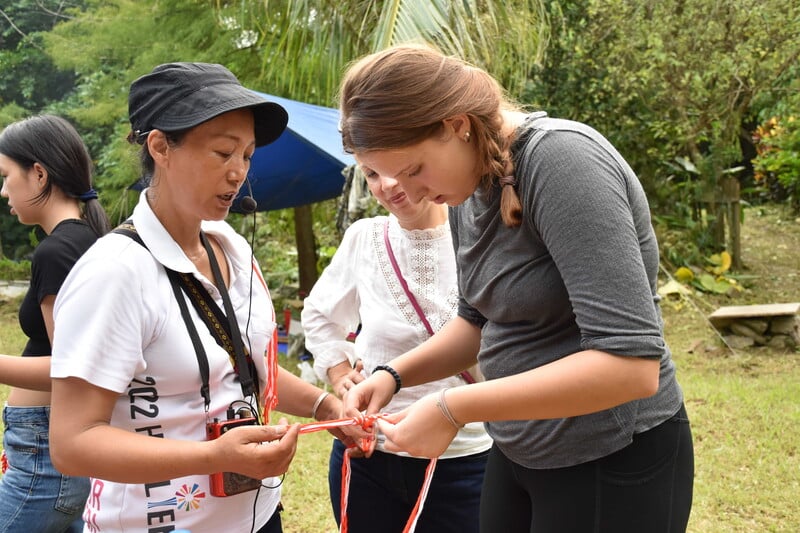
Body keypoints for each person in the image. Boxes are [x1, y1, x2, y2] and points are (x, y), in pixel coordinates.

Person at [339, 44, 695, 533]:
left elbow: (630, 367)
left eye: (414, 169)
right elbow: (475, 323)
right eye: (384, 175)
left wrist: (452, 408)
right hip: (519, 450)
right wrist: (392, 376)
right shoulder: (468, 187)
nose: (409, 192)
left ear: (457, 124)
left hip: (611, 455)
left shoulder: (562, 161)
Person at [47, 62, 344, 533]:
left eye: (247, 155)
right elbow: (72, 443)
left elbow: (243, 367)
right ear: (160, 147)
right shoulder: (114, 273)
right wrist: (212, 456)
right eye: (223, 152)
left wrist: (325, 406)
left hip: (257, 515)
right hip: (158, 524)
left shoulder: (231, 248)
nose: (238, 172)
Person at [301, 168, 492, 532]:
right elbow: (320, 314)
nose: (387, 185)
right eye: (372, 174)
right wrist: (340, 374)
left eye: (398, 169)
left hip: (464, 460)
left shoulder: (481, 234)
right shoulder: (365, 238)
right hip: (369, 454)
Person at [0, 114, 111, 532]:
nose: (3, 191)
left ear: (39, 174)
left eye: (6, 176)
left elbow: (71, 372)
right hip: (53, 451)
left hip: (44, 458)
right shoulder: (88, 239)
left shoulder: (58, 251)